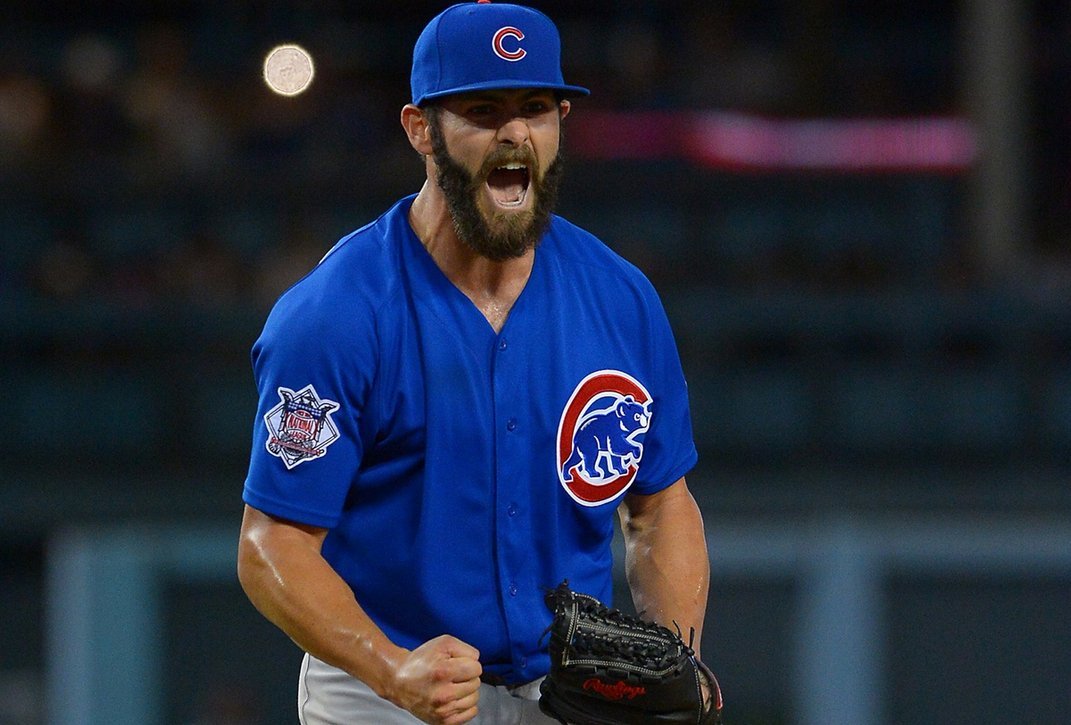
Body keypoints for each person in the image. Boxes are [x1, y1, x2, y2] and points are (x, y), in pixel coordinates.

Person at [237, 2, 712, 723]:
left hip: (567, 692)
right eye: (483, 111)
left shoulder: (619, 298)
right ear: (420, 129)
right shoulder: (337, 314)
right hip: (382, 687)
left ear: (560, 122)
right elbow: (271, 543)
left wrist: (677, 662)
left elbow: (660, 505)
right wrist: (389, 667)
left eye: (535, 108)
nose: (514, 132)